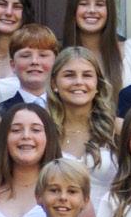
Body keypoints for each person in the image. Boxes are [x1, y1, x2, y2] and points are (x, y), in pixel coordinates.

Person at [48, 46, 120, 208]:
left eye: (87, 75)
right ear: (54, 83)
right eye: (69, 75)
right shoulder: (43, 130)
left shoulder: (117, 129)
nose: (78, 82)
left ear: (97, 85)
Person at [61, 0, 131, 97]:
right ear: (73, 10)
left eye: (99, 4)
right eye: (83, 4)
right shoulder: (58, 56)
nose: (92, 10)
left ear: (109, 11)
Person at [0, 24, 59, 111]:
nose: (34, 61)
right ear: (13, 65)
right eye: (25, 56)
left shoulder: (69, 109)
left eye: (43, 55)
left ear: (55, 62)